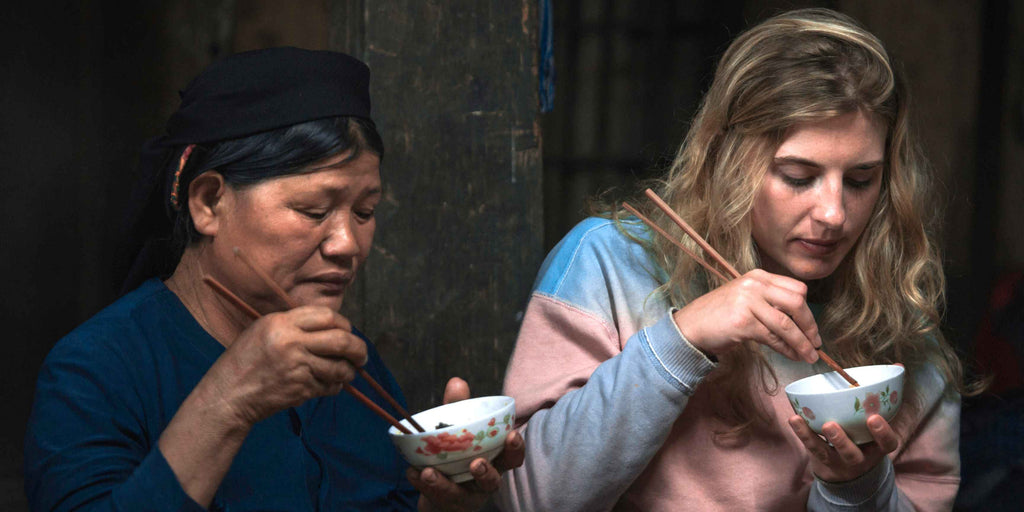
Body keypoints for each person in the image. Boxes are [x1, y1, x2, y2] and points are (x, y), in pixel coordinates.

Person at [497, 8, 973, 511]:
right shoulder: (610, 264)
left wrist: (854, 486)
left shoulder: (898, 316)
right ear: (729, 158)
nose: (834, 214)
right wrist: (682, 338)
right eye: (797, 176)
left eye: (860, 180)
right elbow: (530, 498)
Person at [24, 47, 522, 511]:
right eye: (312, 210)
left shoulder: (351, 363)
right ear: (209, 203)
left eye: (365, 212)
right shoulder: (95, 371)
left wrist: (439, 502)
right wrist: (230, 397)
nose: (347, 243)